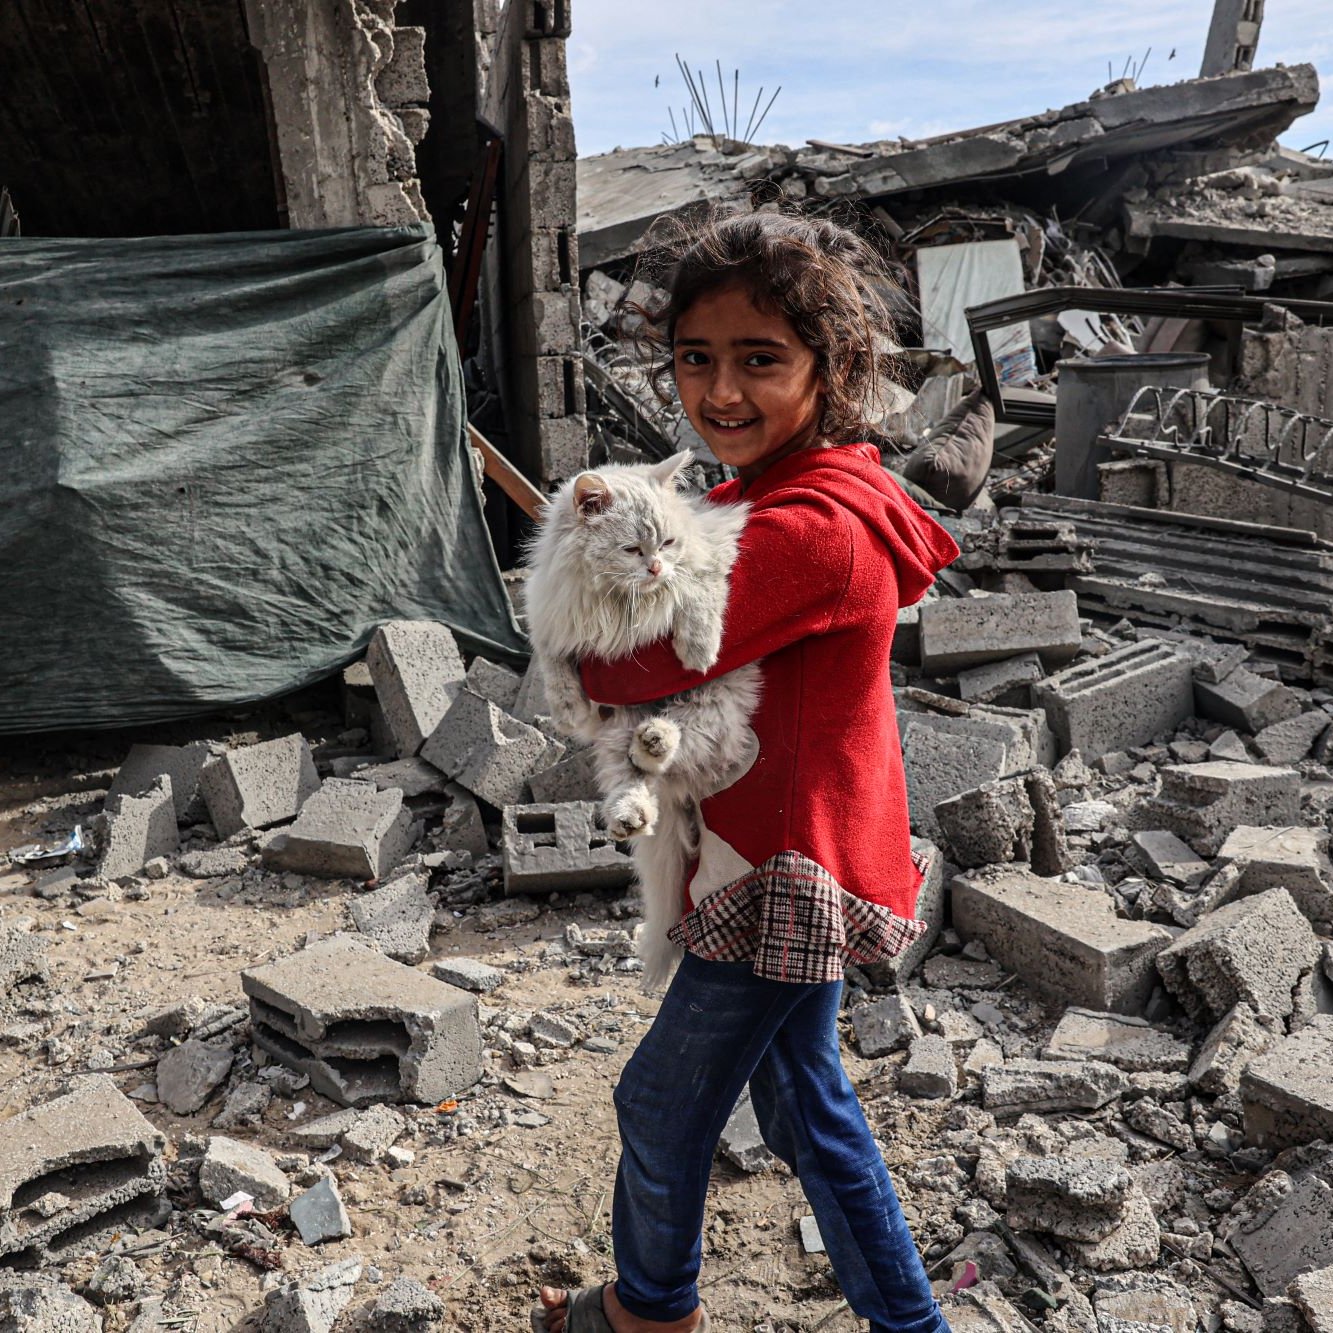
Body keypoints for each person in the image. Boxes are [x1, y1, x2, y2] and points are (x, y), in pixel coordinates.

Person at [533, 208, 959, 1333]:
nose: (719, 392)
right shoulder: (771, 494)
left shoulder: (809, 529)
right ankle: (911, 1324)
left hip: (780, 874)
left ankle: (647, 1313)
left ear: (830, 365)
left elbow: (621, 665)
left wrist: (578, 625)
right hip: (777, 849)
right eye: (694, 358)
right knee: (804, 1105)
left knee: (661, 1102)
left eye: (759, 360)